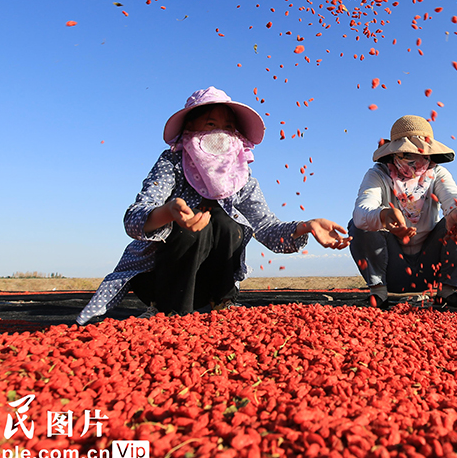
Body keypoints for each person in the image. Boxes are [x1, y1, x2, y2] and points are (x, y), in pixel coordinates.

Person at [76, 87, 349, 325]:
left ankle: (221, 303)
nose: (219, 133)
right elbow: (134, 219)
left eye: (227, 128)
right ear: (189, 130)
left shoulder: (241, 178)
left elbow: (266, 228)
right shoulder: (173, 164)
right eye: (210, 125)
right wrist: (169, 213)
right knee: (202, 221)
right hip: (163, 280)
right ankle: (168, 312)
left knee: (227, 221)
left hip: (210, 283)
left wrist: (307, 226)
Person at [349, 115, 457, 310]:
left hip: (430, 268)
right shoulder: (378, 175)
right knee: (359, 225)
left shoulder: (437, 174)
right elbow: (362, 211)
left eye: (422, 156)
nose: (416, 163)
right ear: (394, 153)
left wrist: (456, 212)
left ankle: (447, 291)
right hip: (392, 268)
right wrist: (383, 216)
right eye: (408, 155)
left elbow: (452, 196)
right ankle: (378, 293)